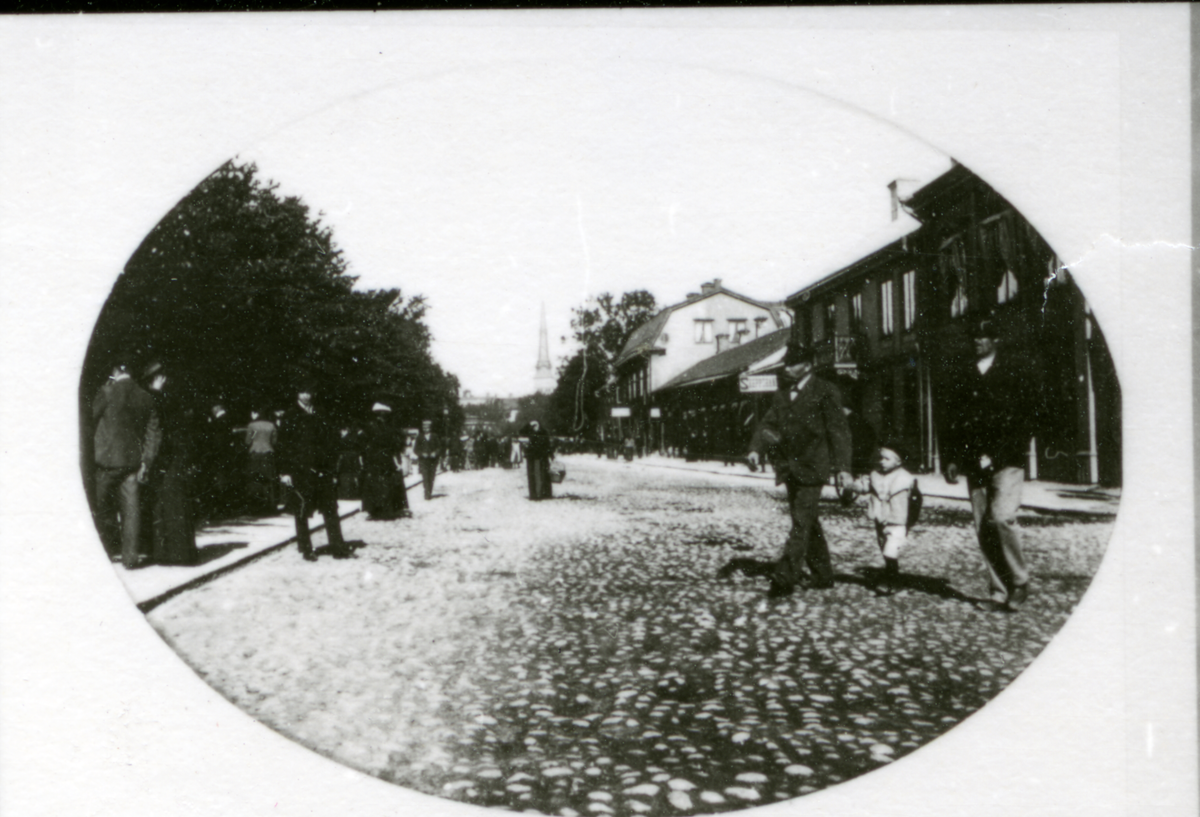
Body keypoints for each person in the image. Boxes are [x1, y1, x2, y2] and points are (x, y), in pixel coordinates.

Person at [939, 314, 1040, 612]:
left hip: (1006, 459)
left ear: (996, 339)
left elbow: (1027, 418)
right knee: (984, 526)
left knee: (1002, 518)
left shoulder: (1013, 370)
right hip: (973, 460)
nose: (977, 341)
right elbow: (951, 419)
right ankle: (998, 592)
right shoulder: (962, 372)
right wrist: (951, 458)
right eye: (974, 337)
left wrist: (1005, 451)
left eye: (983, 336)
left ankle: (1019, 581)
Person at [746, 340, 853, 598]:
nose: (786, 368)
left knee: (801, 522)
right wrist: (756, 449)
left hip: (813, 467)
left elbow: (838, 431)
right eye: (786, 363)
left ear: (808, 366)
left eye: (792, 364)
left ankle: (784, 577)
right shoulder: (782, 394)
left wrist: (843, 468)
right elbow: (767, 425)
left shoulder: (825, 390)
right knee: (807, 520)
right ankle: (823, 575)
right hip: (789, 468)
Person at [92, 358, 160, 568]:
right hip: (132, 463)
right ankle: (130, 559)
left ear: (115, 371)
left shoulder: (107, 391)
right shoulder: (146, 396)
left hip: (107, 461)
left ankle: (102, 552)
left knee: (99, 507)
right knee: (131, 512)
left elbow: (90, 419)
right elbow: (153, 434)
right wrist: (146, 462)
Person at [277, 381, 349, 561]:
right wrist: (285, 472)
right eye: (303, 392)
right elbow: (283, 446)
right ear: (297, 394)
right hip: (300, 469)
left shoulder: (321, 413)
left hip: (323, 469)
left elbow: (331, 441)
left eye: (309, 392)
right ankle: (305, 548)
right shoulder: (290, 415)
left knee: (330, 508)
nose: (306, 395)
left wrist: (332, 469)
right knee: (302, 510)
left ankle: (337, 546)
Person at [141, 362, 197, 566]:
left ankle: (167, 553)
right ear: (158, 378)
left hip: (165, 456)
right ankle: (177, 552)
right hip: (171, 456)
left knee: (166, 504)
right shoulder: (164, 398)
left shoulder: (156, 398)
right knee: (173, 503)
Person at [849, 442, 916, 597]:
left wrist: (909, 521)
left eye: (887, 459)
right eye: (880, 458)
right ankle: (892, 577)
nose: (882, 462)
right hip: (880, 519)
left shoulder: (906, 478)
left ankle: (891, 581)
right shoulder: (875, 475)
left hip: (897, 520)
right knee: (884, 547)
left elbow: (915, 502)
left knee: (890, 551)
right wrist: (854, 486)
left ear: (898, 461)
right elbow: (865, 486)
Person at [361, 402, 411, 520]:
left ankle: (387, 509)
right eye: (380, 414)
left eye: (384, 414)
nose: (382, 416)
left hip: (386, 456)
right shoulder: (372, 426)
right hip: (376, 457)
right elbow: (364, 442)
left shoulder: (388, 426)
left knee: (387, 482)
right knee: (377, 483)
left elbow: (395, 442)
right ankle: (375, 510)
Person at [243, 408, 279, 515]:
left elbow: (248, 441)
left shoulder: (252, 425)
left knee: (254, 478)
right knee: (269, 479)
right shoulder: (271, 425)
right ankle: (270, 505)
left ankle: (254, 505)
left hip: (255, 453)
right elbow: (274, 441)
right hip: (268, 452)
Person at [521, 420, 555, 501]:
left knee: (543, 475)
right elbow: (521, 432)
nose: (534, 427)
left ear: (539, 425)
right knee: (534, 476)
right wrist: (529, 424)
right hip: (532, 457)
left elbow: (547, 444)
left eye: (536, 425)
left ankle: (544, 493)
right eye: (533, 425)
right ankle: (535, 494)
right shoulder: (530, 431)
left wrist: (551, 455)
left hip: (542, 456)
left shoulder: (544, 432)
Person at [414, 419, 443, 500]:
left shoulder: (435, 436)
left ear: (430, 427)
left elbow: (439, 447)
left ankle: (429, 491)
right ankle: (427, 493)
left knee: (431, 477)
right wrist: (422, 454)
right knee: (425, 476)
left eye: (427, 427)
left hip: (433, 461)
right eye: (424, 427)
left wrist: (435, 453)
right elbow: (416, 449)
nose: (425, 428)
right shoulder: (419, 437)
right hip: (423, 461)